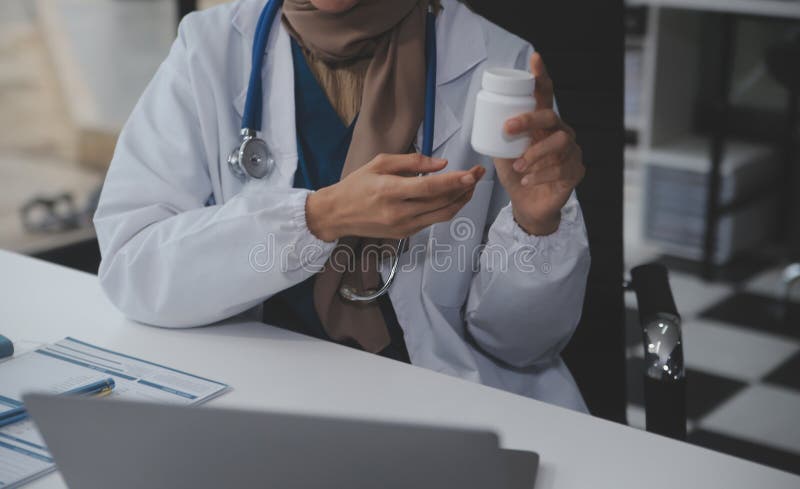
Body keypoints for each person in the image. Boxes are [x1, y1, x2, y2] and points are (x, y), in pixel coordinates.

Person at [94, 0, 590, 411]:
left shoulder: (499, 65)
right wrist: (319, 218)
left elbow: (522, 346)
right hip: (259, 393)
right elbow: (134, 268)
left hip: (440, 402)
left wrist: (536, 223)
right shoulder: (209, 48)